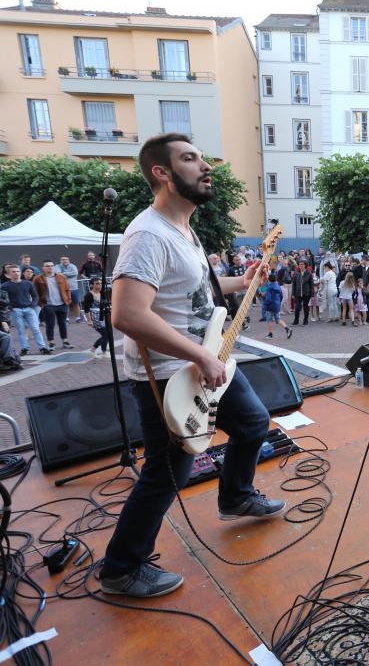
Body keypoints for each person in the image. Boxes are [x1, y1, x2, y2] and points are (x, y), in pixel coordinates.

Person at [100, 133, 284, 598]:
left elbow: (193, 288)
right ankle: (122, 568)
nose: (205, 167)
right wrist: (200, 354)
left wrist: (240, 280)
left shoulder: (185, 228)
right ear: (161, 173)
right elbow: (127, 314)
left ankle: (236, 495)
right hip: (170, 375)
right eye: (190, 159)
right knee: (168, 474)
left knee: (253, 423)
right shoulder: (148, 233)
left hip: (210, 360)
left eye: (202, 157)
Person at [2, 264, 48, 355]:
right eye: (13, 272)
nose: (16, 273)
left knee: (36, 328)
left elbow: (35, 296)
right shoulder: (4, 286)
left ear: (20, 272)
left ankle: (42, 347)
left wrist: (32, 306)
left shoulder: (28, 283)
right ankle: (24, 348)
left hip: (29, 309)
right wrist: (11, 307)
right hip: (16, 311)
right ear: (8, 274)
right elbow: (2, 299)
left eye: (18, 271)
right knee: (21, 330)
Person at [33, 260, 74, 351]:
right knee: (50, 325)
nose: (50, 267)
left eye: (51, 265)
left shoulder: (61, 277)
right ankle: (51, 343)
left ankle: (65, 341)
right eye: (47, 266)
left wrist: (68, 300)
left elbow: (67, 289)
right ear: (43, 268)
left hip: (62, 304)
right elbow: (35, 292)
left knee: (62, 323)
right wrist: (41, 304)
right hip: (48, 305)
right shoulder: (38, 279)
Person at [82, 277, 109, 358]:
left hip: (103, 316)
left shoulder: (102, 293)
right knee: (106, 334)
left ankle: (101, 352)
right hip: (95, 316)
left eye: (100, 283)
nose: (99, 285)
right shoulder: (89, 295)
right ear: (91, 285)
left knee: (107, 334)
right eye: (97, 283)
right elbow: (86, 309)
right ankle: (94, 351)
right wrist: (89, 320)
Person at [263, 274, 292, 340]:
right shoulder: (278, 286)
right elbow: (281, 296)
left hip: (270, 306)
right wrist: (278, 302)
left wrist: (265, 304)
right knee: (278, 319)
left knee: (269, 320)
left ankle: (270, 334)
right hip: (277, 305)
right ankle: (287, 328)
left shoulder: (269, 287)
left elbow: (268, 298)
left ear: (269, 279)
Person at [55, 256, 84, 322]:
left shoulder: (72, 266)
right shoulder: (57, 266)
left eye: (66, 259)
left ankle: (78, 318)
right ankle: (66, 319)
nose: (64, 261)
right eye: (63, 260)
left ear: (69, 260)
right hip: (63, 289)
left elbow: (75, 273)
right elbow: (57, 274)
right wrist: (68, 274)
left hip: (74, 288)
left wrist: (63, 274)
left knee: (76, 303)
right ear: (60, 261)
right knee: (65, 304)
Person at [291, 261, 313, 326]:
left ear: (305, 265)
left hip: (306, 293)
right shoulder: (296, 273)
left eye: (302, 264)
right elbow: (294, 284)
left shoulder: (309, 274)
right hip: (298, 293)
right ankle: (296, 321)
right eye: (299, 264)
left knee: (306, 307)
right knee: (297, 307)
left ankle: (305, 321)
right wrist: (293, 293)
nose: (300, 265)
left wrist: (312, 294)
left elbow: (311, 284)